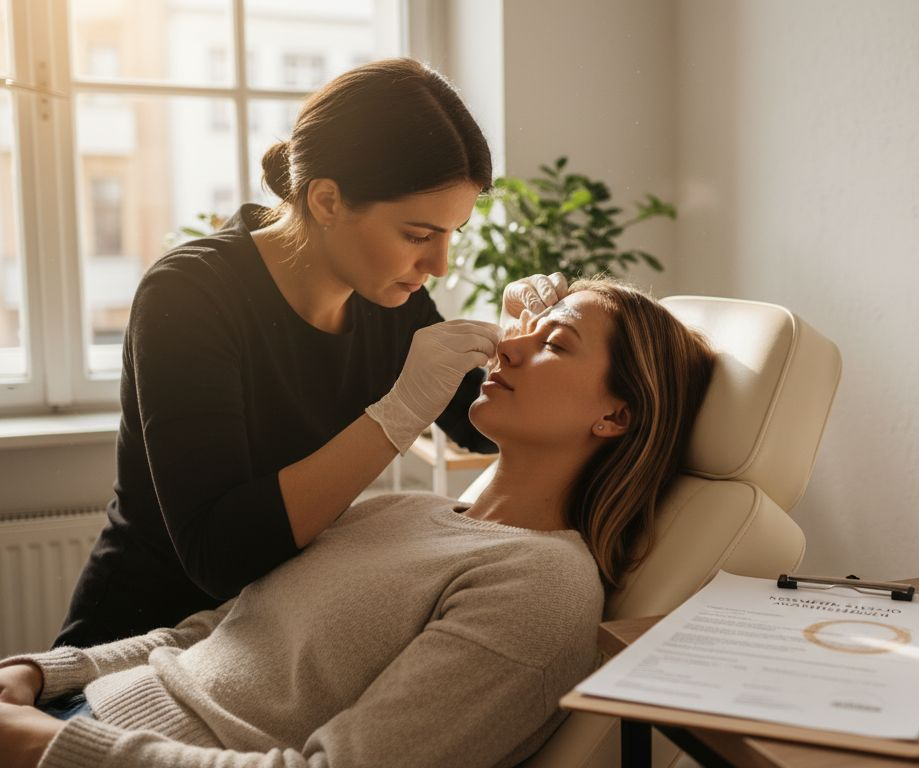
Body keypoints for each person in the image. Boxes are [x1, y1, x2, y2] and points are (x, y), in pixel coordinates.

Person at [0, 279, 717, 768]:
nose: (507, 347)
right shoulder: (396, 508)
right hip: (73, 713)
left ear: (616, 415)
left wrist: (50, 749)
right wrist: (39, 673)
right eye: (522, 331)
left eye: (554, 344)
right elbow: (207, 636)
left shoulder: (540, 587)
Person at [56, 57, 570, 649]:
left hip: (265, 644)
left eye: (452, 235)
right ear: (326, 200)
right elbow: (220, 554)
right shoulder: (190, 294)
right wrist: (399, 412)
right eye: (418, 235)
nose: (438, 266)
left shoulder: (390, 300)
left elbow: (477, 428)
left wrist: (523, 342)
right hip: (137, 640)